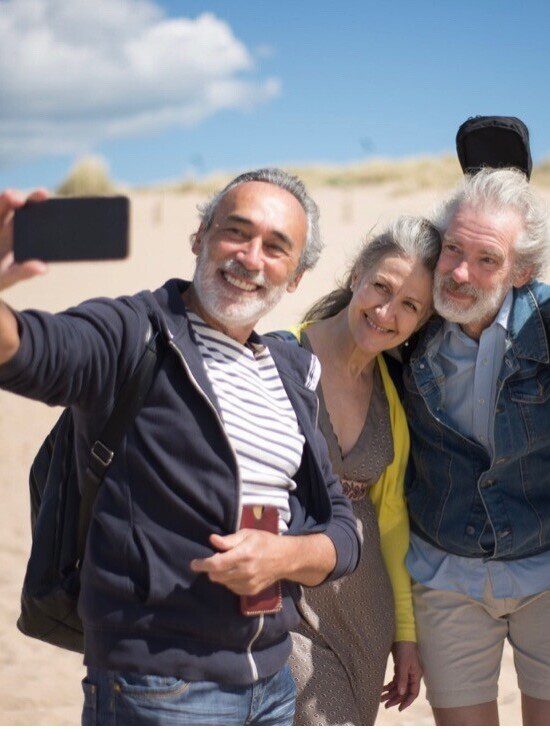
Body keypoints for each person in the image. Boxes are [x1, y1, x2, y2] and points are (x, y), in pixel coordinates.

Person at [0, 169, 361, 726]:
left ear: (296, 277)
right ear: (200, 238)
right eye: (235, 232)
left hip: (273, 682)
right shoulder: (131, 333)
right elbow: (32, 351)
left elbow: (340, 525)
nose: (250, 258)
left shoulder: (292, 373)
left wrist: (287, 557)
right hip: (161, 687)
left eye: (276, 247)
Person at [404, 168, 550, 726]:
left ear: (522, 271)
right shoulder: (406, 323)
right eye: (451, 249)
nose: (459, 273)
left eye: (487, 259)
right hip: (447, 574)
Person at [284, 216, 440, 725]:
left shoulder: (394, 392)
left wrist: (405, 635)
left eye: (410, 305)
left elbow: (392, 522)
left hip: (367, 616)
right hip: (289, 605)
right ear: (356, 276)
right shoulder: (280, 355)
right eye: (382, 287)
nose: (387, 312)